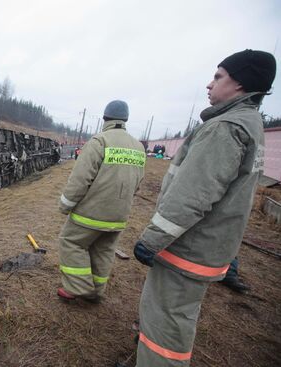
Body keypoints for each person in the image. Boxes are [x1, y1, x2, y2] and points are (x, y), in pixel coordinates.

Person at [133, 49, 276, 366]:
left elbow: (193, 194)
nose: (209, 85)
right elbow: (228, 194)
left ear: (240, 83)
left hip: (188, 248)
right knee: (175, 314)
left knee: (166, 324)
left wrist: (152, 239)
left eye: (218, 76)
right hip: (209, 246)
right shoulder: (249, 124)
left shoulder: (224, 128)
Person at [57, 100, 146, 303]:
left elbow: (80, 179)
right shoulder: (138, 147)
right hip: (119, 216)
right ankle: (96, 291)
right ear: (125, 120)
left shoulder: (100, 141)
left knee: (71, 243)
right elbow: (137, 182)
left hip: (91, 214)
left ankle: (78, 288)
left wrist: (65, 204)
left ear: (105, 118)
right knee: (103, 250)